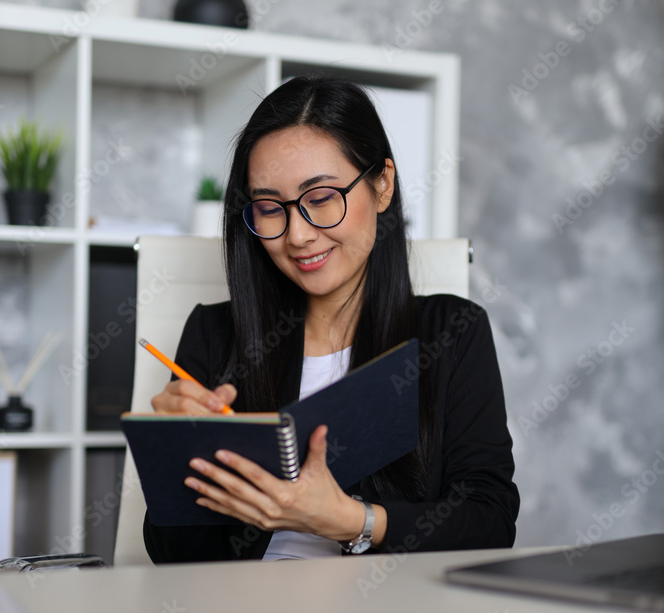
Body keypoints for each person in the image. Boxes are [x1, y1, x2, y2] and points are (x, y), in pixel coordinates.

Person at [144, 76, 519, 563]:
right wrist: (173, 459)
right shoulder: (215, 336)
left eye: (320, 199)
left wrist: (350, 520)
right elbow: (174, 559)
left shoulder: (452, 332)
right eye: (268, 207)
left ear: (382, 185)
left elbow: (490, 522)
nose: (297, 235)